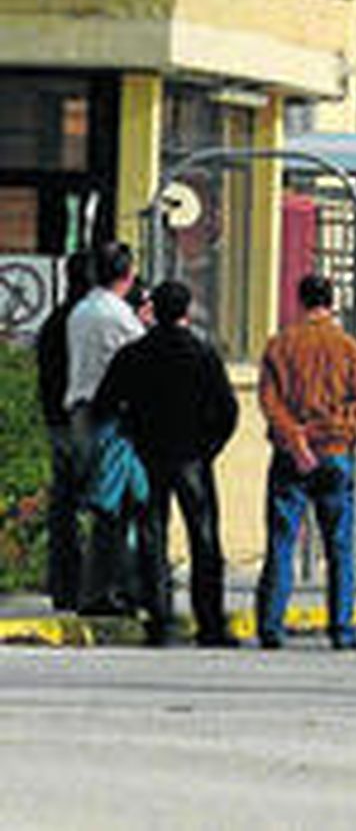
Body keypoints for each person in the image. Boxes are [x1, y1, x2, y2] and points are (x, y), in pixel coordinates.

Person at [93, 281, 239, 647]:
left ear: (154, 311)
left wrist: (130, 428)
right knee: (204, 540)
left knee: (151, 536)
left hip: (147, 456)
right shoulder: (202, 354)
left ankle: (159, 619)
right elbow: (227, 410)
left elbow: (104, 403)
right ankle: (210, 622)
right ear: (186, 310)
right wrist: (208, 448)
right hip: (192, 458)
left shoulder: (134, 354)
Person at [254, 274, 356, 651]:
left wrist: (297, 440)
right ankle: (342, 627)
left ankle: (272, 625)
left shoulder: (280, 346)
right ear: (332, 302)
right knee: (339, 544)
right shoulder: (351, 349)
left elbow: (270, 403)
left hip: (291, 456)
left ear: (299, 300)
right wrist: (329, 431)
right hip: (335, 453)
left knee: (281, 541)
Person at [65, 242, 148, 615]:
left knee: (106, 504)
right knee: (117, 507)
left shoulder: (82, 310)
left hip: (81, 409)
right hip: (111, 416)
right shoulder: (119, 317)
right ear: (127, 274)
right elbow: (140, 360)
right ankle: (112, 587)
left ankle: (107, 585)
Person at [35, 250, 92, 611]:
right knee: (100, 504)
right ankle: (91, 582)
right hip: (82, 419)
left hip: (58, 420)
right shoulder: (85, 319)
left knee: (64, 505)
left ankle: (63, 583)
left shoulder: (55, 320)